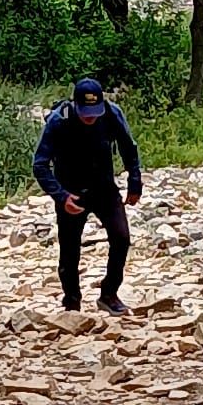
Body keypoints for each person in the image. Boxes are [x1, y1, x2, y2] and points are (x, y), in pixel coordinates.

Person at [33, 77, 142, 315]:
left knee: (121, 238)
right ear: (75, 104)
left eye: (94, 112)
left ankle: (109, 294)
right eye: (86, 113)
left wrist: (135, 181)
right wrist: (61, 196)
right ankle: (72, 300)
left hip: (104, 188)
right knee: (70, 249)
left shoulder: (111, 114)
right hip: (70, 192)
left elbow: (128, 147)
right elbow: (40, 165)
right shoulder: (59, 120)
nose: (90, 117)